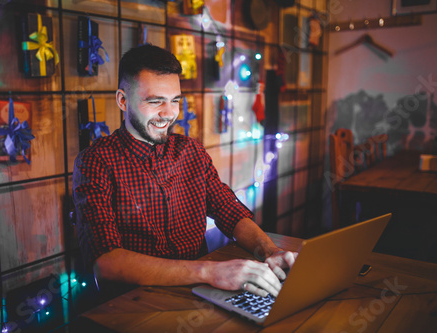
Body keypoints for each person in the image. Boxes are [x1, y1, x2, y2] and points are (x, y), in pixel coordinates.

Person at [72, 44, 297, 299]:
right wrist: (210, 272)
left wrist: (269, 251)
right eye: (155, 101)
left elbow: (229, 211)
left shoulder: (191, 151)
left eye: (175, 101)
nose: (169, 114)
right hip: (138, 304)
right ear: (123, 101)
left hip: (201, 295)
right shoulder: (96, 162)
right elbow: (106, 263)